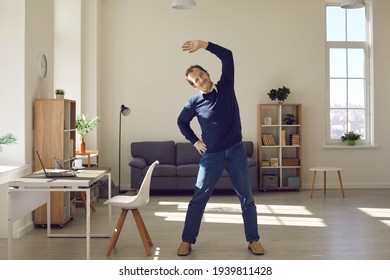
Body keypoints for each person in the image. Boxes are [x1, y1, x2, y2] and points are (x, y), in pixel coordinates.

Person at [176, 40, 264, 256]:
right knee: (199, 198)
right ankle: (187, 240)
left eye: (202, 74)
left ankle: (253, 240)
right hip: (211, 156)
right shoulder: (193, 103)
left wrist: (204, 44)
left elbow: (228, 55)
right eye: (196, 80)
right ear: (194, 85)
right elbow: (182, 122)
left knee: (247, 197)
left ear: (207, 73)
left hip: (236, 151)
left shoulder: (226, 86)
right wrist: (195, 141)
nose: (201, 79)